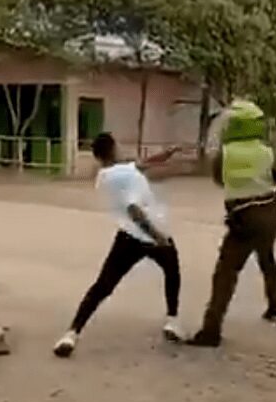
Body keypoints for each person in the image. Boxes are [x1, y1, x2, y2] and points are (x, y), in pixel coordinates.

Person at [52, 133, 185, 358]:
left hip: (126, 237)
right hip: (148, 233)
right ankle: (172, 320)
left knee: (103, 286)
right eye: (119, 145)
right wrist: (157, 236)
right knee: (172, 271)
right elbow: (134, 209)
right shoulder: (128, 176)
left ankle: (71, 333)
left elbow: (142, 165)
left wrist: (167, 153)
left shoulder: (105, 176)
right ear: (113, 149)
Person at [187, 100, 276, 348]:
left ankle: (211, 330)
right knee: (267, 258)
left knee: (226, 272)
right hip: (269, 214)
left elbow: (219, 180)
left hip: (242, 216)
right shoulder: (267, 151)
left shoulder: (224, 154)